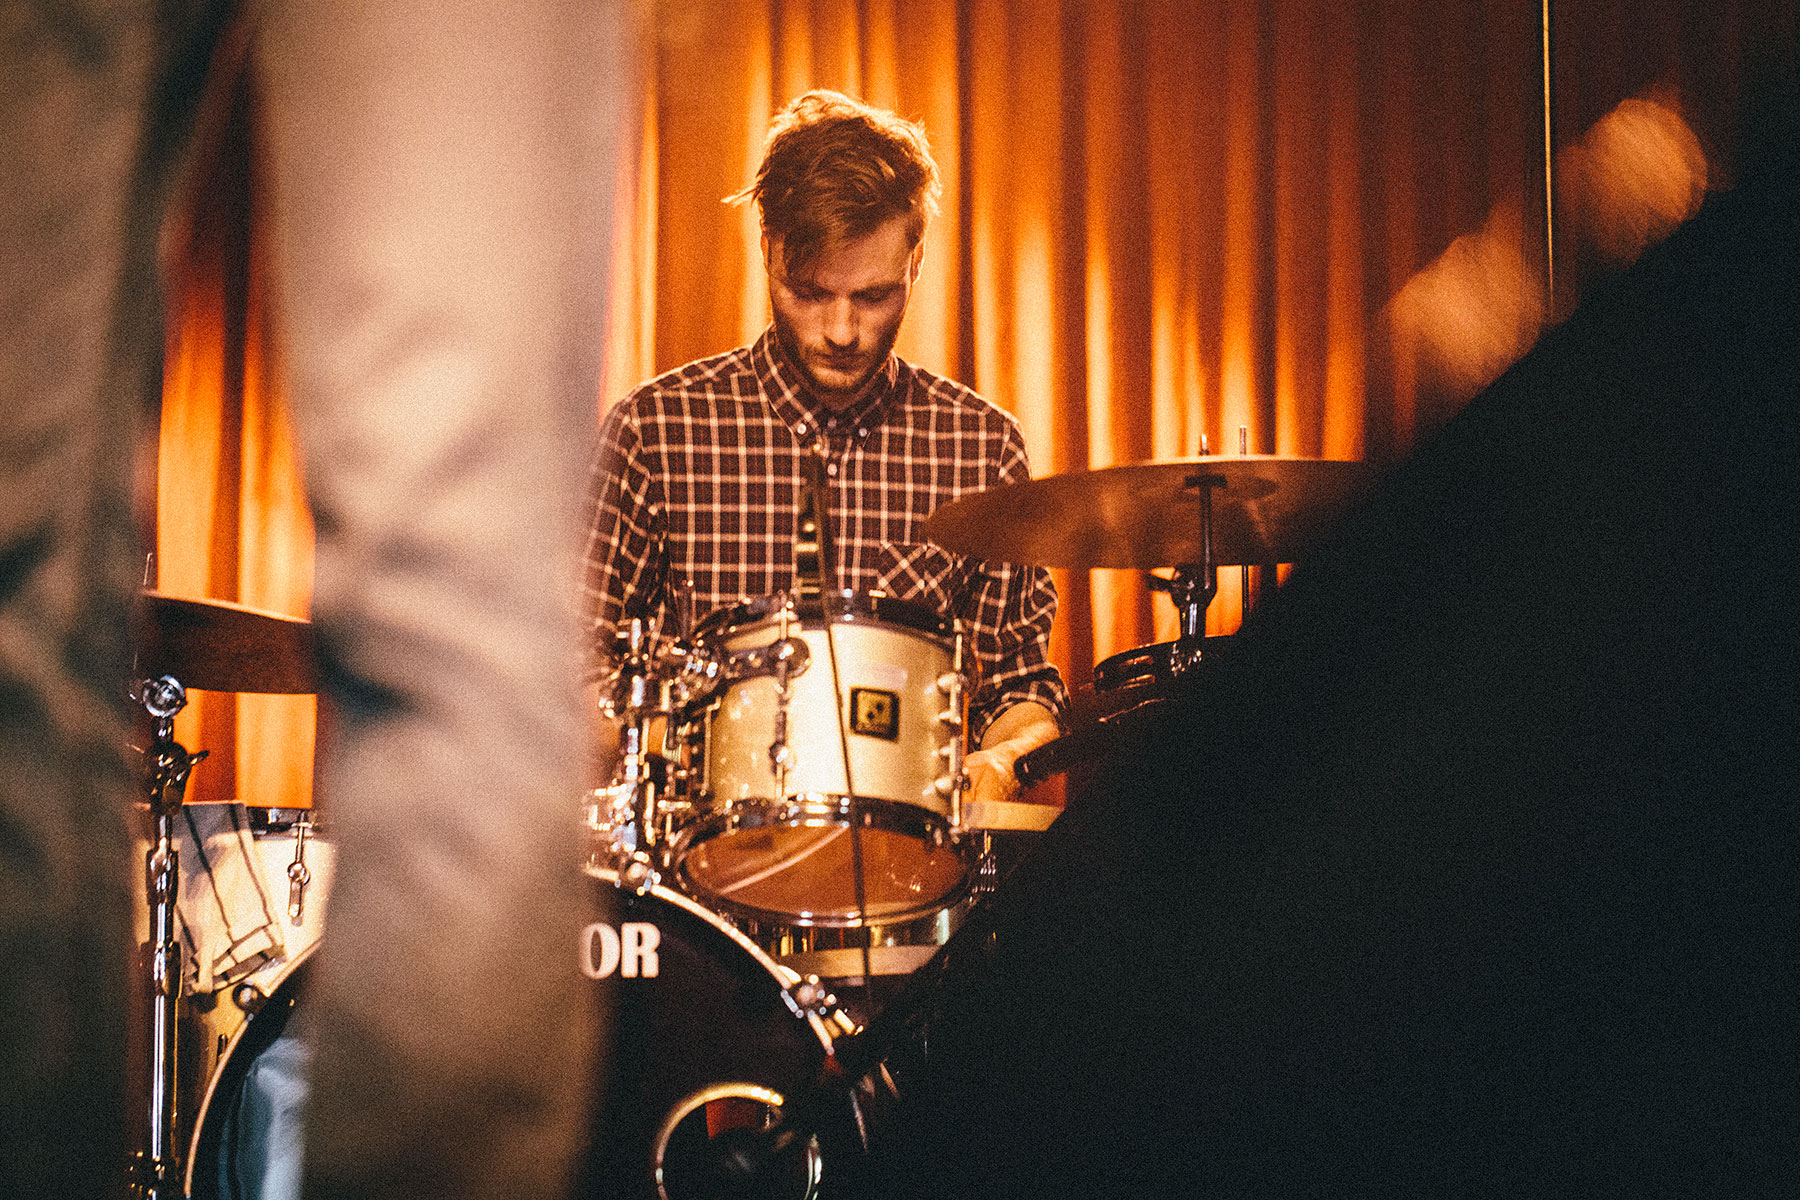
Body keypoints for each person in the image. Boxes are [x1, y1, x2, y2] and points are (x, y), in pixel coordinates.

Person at [584, 91, 1066, 811]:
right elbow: (569, 670)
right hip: (700, 885)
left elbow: (1019, 691)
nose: (841, 331)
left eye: (873, 296)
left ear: (916, 259)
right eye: (808, 292)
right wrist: (664, 737)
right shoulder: (654, 433)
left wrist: (1002, 759)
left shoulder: (981, 449)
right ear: (767, 248)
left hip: (912, 889)